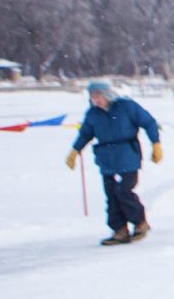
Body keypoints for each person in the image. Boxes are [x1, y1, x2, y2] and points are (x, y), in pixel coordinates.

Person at [66, 80, 164, 245]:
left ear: (107, 94)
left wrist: (156, 144)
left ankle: (140, 223)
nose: (96, 100)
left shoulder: (127, 107)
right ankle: (119, 230)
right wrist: (75, 151)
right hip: (106, 158)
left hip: (127, 154)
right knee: (111, 194)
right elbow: (85, 134)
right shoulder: (93, 114)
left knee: (124, 190)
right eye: (92, 96)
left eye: (98, 95)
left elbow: (149, 123)